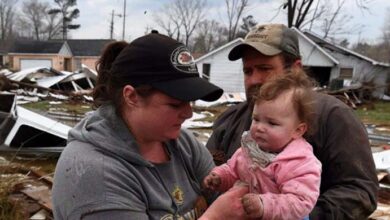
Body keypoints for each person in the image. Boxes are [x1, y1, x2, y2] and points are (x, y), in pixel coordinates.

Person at [52, 31, 248, 220]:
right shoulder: (95, 174)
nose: (188, 113)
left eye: (190, 102)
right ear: (131, 96)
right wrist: (215, 216)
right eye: (175, 104)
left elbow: (227, 198)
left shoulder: (181, 144)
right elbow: (223, 209)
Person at [206, 23, 379, 219]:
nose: (254, 80)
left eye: (264, 68)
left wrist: (302, 215)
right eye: (248, 71)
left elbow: (360, 192)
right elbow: (209, 175)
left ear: (295, 69)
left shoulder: (334, 117)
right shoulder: (229, 120)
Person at [204, 70, 322, 219]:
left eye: (271, 123)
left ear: (298, 130)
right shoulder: (249, 149)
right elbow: (233, 171)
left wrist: (264, 204)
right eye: (256, 119)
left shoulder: (299, 162)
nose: (259, 127)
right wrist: (221, 177)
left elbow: (301, 201)